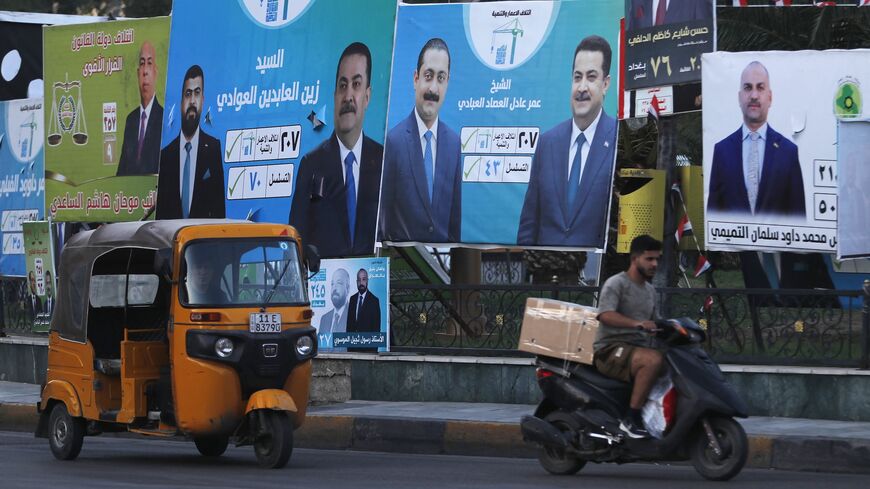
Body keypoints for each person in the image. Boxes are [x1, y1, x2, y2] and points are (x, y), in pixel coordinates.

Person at [517, 35, 617, 248]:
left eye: (591, 77)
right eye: (577, 77)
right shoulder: (547, 143)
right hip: (545, 267)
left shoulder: (620, 142)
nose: (582, 87)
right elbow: (528, 226)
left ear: (605, 84)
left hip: (595, 268)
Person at [290, 43, 383, 257]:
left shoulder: (383, 162)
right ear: (334, 96)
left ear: (367, 96)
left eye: (356, 84)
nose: (348, 96)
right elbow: (296, 242)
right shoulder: (311, 164)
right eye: (343, 85)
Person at [379, 38, 462, 244]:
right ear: (416, 79)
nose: (433, 88)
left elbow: (454, 225)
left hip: (440, 263)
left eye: (441, 78)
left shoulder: (454, 144)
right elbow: (383, 223)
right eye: (428, 76)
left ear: (447, 83)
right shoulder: (394, 142)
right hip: (402, 260)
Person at [707, 61, 805, 218]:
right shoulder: (722, 151)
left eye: (760, 87)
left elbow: (798, 217)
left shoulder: (788, 152)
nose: (754, 95)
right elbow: (713, 215)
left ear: (770, 97)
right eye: (748, 88)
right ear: (739, 98)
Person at [594, 234, 663, 439]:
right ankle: (631, 419)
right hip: (610, 350)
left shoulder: (650, 291)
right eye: (649, 259)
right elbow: (605, 315)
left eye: (657, 259)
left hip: (636, 350)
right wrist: (637, 324)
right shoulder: (616, 283)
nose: (654, 264)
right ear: (635, 259)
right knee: (652, 360)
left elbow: (656, 321)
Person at [156, 65, 225, 219]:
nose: (193, 101)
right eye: (188, 94)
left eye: (197, 93)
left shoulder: (213, 149)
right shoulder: (166, 156)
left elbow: (219, 213)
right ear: (181, 101)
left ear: (203, 100)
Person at [116, 41, 163, 176]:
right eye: (142, 63)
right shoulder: (131, 120)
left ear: (155, 72)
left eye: (149, 63)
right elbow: (121, 173)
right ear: (138, 73)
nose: (145, 71)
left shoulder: (164, 118)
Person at [626, 0, 713, 31]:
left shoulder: (697, 1)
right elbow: (631, 44)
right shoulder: (637, 2)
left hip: (683, 64)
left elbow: (704, 41)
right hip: (645, 65)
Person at [347, 267, 381, 335]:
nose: (361, 282)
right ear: (356, 282)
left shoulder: (374, 301)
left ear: (367, 281)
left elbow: (376, 328)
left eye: (363, 279)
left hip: (368, 340)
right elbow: (349, 324)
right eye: (359, 280)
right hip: (352, 340)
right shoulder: (352, 299)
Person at [319, 268, 350, 335]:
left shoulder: (355, 316)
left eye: (339, 283)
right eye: (332, 284)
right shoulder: (324, 319)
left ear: (348, 288)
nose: (334, 288)